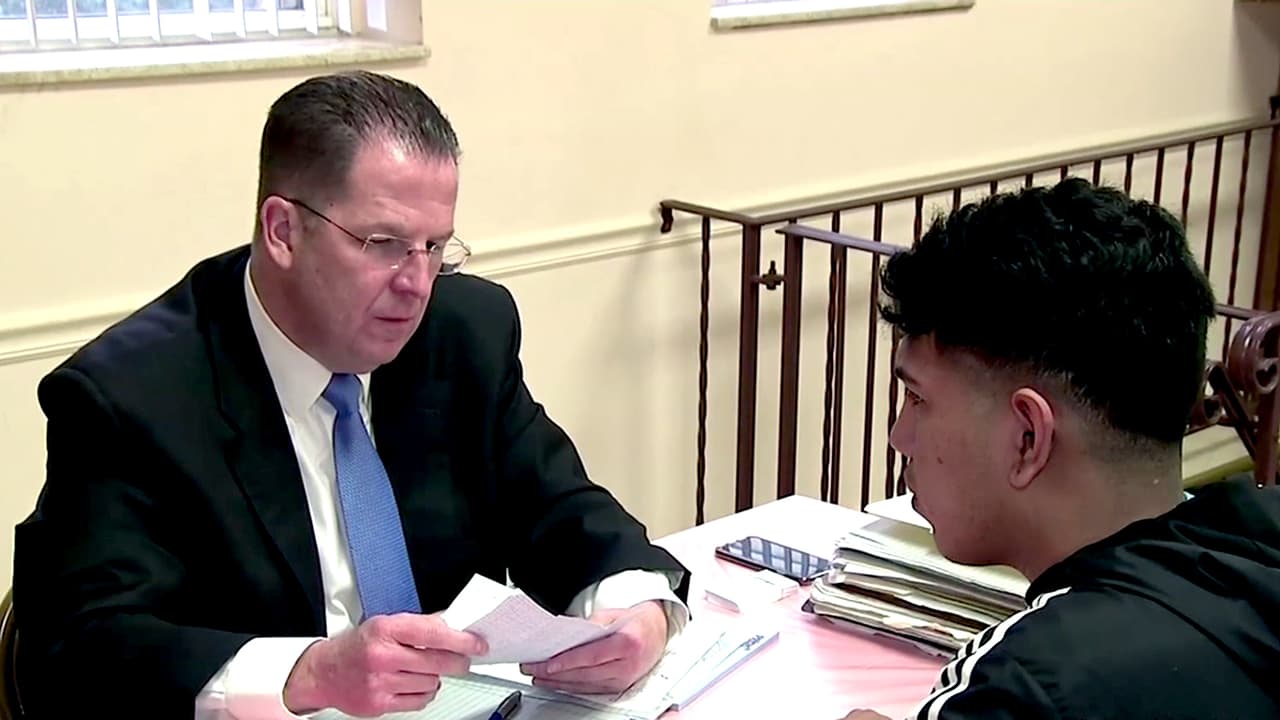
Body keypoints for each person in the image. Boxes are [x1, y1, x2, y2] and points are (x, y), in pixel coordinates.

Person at [13, 70, 690, 720]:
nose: (416, 283)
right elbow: (76, 651)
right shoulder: (131, 397)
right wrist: (307, 673)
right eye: (384, 243)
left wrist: (639, 611)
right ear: (283, 231)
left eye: (435, 247)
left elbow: (562, 510)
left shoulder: (462, 333)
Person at [838, 178, 1280, 719]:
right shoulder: (1260, 542)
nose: (899, 436)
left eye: (918, 399)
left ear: (1028, 437)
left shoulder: (1028, 685)